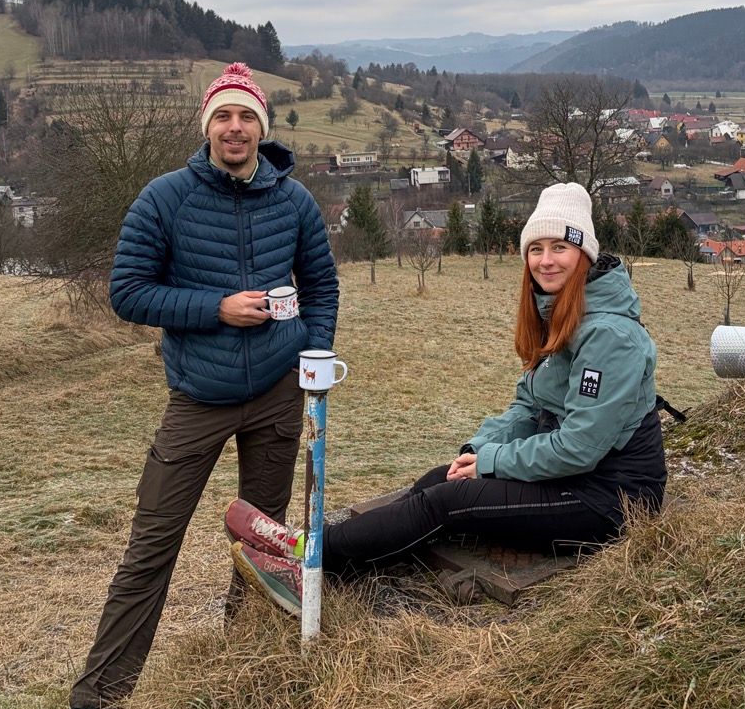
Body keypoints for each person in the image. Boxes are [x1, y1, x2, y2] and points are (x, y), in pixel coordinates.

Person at [25, 61, 339, 709]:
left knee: (263, 542)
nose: (235, 128)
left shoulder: (294, 201)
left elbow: (321, 283)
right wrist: (215, 308)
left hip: (278, 395)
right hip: (198, 396)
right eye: (223, 116)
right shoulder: (164, 198)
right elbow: (129, 291)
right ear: (208, 127)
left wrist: (313, 357)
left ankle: (242, 665)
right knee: (151, 546)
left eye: (247, 116)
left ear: (262, 127)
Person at [225, 183, 664, 616]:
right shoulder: (561, 310)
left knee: (447, 504)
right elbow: (529, 406)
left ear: (584, 255)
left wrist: (492, 462)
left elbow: (579, 448)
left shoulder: (610, 336)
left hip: (610, 498)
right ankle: (317, 554)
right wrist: (478, 448)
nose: (545, 260)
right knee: (438, 481)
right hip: (574, 476)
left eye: (559, 248)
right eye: (536, 249)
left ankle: (309, 559)